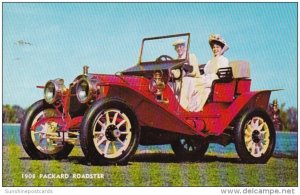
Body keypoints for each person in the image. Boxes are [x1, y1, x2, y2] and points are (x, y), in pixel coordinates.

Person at [197, 34, 230, 111]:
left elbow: (223, 74)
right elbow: (205, 71)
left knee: (199, 83)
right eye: (214, 47)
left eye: (217, 47)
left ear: (221, 49)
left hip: (216, 80)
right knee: (194, 82)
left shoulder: (224, 60)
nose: (215, 49)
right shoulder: (209, 61)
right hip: (207, 78)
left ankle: (197, 107)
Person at [171, 39, 202, 112]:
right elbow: (176, 73)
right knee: (169, 83)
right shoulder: (176, 60)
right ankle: (170, 106)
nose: (178, 49)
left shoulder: (191, 56)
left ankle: (183, 108)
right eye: (176, 47)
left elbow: (194, 71)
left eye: (180, 46)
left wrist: (185, 71)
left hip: (193, 78)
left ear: (184, 47)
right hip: (179, 79)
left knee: (186, 81)